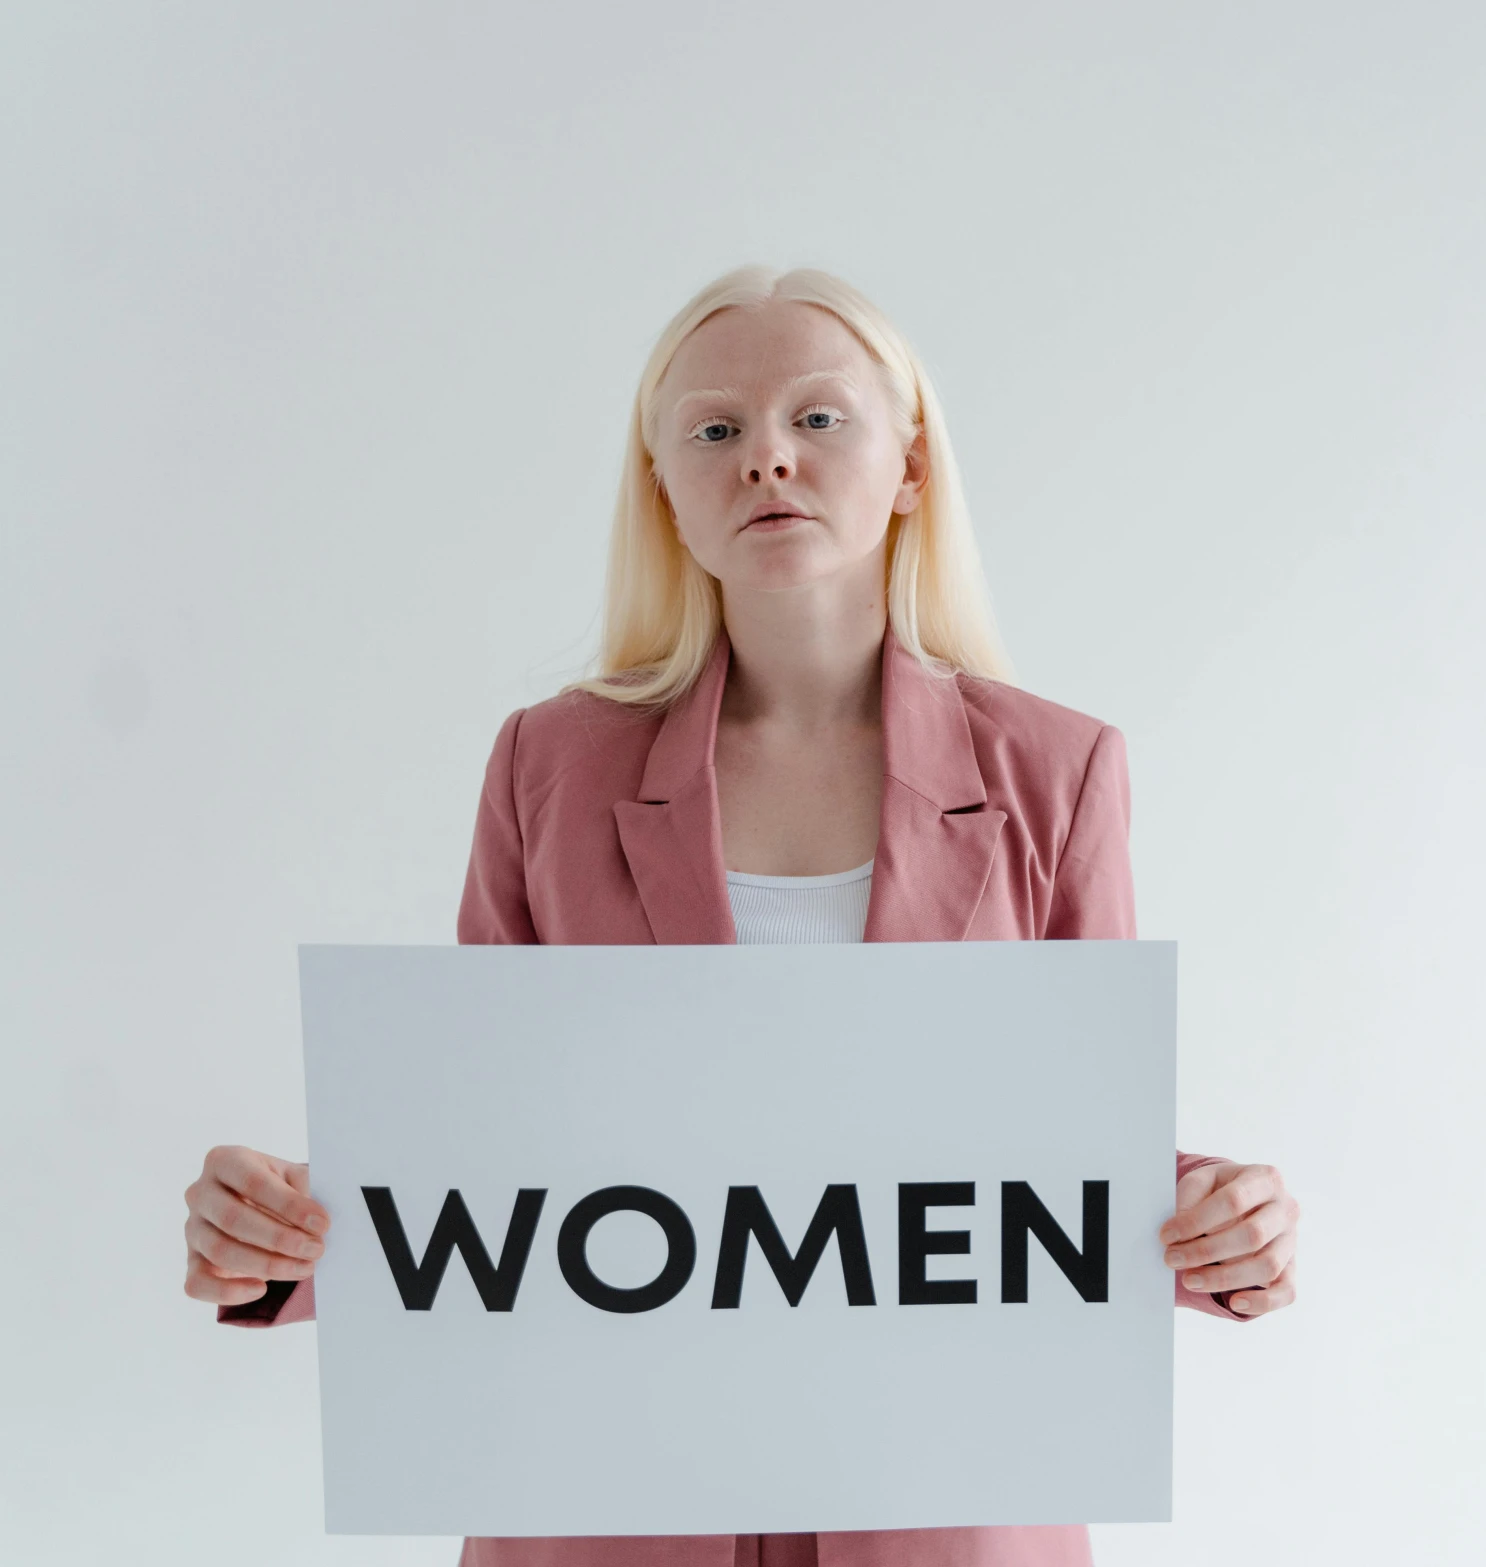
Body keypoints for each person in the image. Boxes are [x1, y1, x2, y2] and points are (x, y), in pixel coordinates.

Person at [179, 264, 1301, 1567]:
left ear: (909, 464)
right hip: (607, 1503)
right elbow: (483, 1145)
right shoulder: (549, 765)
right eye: (715, 429)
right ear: (665, 492)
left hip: (940, 1501)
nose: (765, 457)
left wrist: (1221, 1225)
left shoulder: (1058, 771)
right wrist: (279, 1242)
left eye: (816, 419)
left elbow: (1062, 1151)